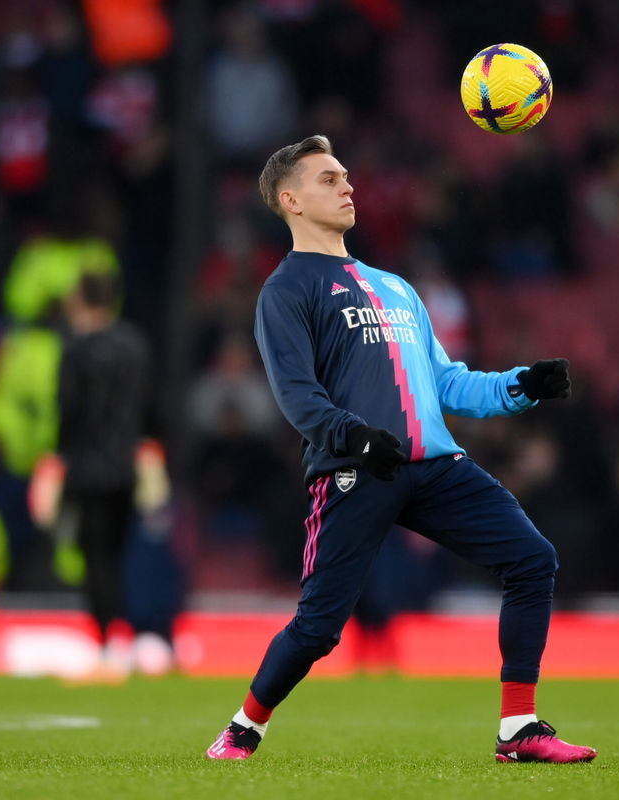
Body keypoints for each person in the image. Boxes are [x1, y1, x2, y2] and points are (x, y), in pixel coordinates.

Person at [205, 135, 595, 764]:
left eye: (346, 176)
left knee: (533, 561)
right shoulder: (285, 291)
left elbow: (445, 385)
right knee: (319, 628)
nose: (347, 186)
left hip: (435, 466)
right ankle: (244, 728)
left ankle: (518, 730)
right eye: (328, 179)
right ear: (290, 199)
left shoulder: (396, 287)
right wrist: (355, 437)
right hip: (356, 468)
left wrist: (523, 386)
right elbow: (298, 396)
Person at [56, 271, 155, 680]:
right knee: (119, 555)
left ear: (80, 299)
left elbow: (69, 411)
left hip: (88, 468)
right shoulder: (134, 344)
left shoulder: (76, 350)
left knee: (95, 558)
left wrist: (56, 464)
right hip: (127, 467)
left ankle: (106, 647)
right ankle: (124, 643)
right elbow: (152, 405)